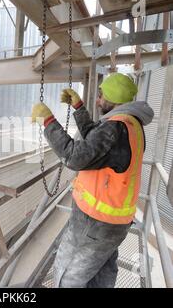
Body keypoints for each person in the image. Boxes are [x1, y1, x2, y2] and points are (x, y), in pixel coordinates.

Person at [31, 73, 154, 288]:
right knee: (101, 273)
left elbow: (74, 156)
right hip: (114, 222)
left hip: (95, 223)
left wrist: (48, 121)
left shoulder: (115, 129)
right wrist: (79, 108)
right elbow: (95, 140)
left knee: (68, 274)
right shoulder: (130, 125)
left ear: (113, 100)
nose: (97, 100)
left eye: (101, 96)